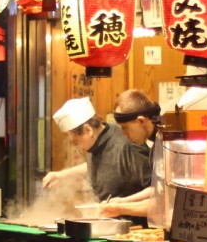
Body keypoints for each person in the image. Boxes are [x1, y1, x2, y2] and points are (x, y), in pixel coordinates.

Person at [42, 96, 152, 216]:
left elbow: (155, 190)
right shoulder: (96, 144)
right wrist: (62, 175)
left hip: (135, 229)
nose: (78, 148)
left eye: (76, 142)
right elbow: (102, 165)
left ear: (88, 130)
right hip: (109, 227)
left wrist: (121, 204)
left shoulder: (129, 144)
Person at [99, 90, 162, 219]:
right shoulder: (158, 140)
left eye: (125, 128)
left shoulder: (168, 142)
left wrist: (119, 208)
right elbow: (157, 188)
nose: (124, 134)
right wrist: (122, 201)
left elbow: (162, 205)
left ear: (141, 121)